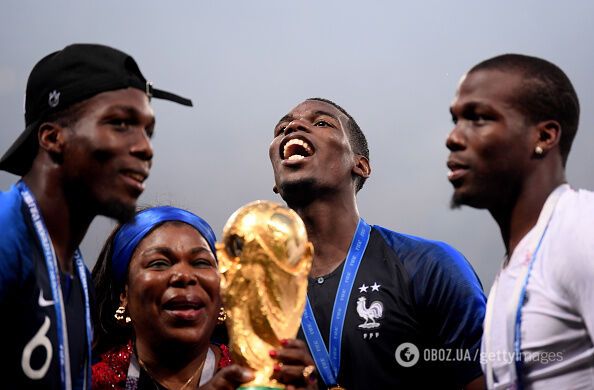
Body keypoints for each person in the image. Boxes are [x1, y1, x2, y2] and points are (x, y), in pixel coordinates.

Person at [0, 43, 192, 390]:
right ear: (52, 137)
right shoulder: (5, 235)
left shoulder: (78, 279)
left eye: (148, 131)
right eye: (120, 123)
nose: (145, 147)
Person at [269, 98, 487, 389]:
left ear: (360, 165)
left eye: (321, 123)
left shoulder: (428, 266)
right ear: (276, 180)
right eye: (282, 128)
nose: (293, 126)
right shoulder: (259, 294)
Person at [446, 54, 593, 389]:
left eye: (478, 118)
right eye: (455, 119)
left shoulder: (582, 229)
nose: (453, 137)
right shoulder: (518, 262)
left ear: (544, 137)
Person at [92, 206, 257, 389]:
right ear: (124, 295)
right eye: (159, 263)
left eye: (201, 262)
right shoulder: (85, 380)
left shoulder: (255, 379)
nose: (184, 276)